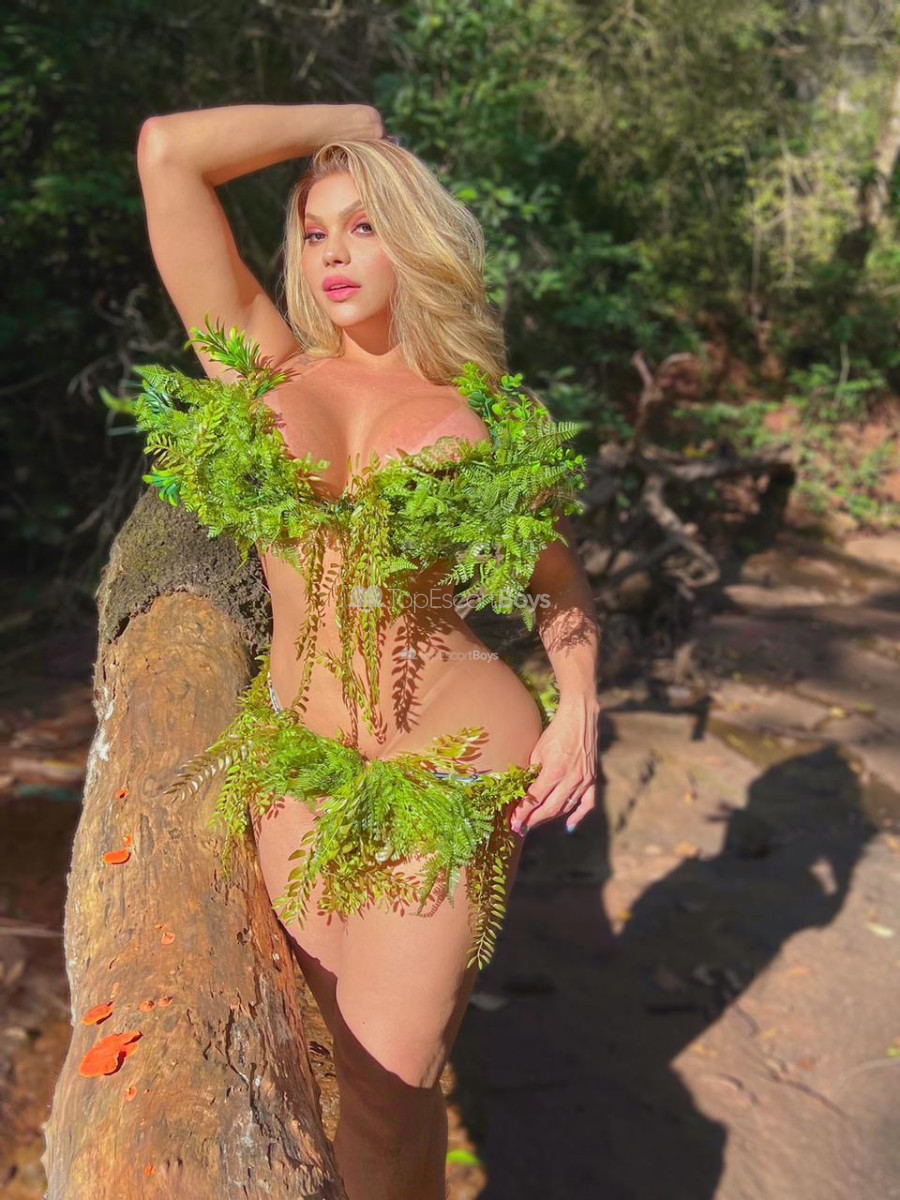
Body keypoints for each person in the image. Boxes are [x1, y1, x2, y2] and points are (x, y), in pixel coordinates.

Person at [134, 102, 602, 1200]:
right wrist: (352, 123)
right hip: (299, 753)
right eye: (315, 231)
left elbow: (557, 581)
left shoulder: (482, 413)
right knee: (353, 1074)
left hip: (454, 744)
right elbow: (167, 152)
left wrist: (579, 704)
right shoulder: (260, 366)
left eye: (364, 226)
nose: (335, 255)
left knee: (390, 1076)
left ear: (413, 240)